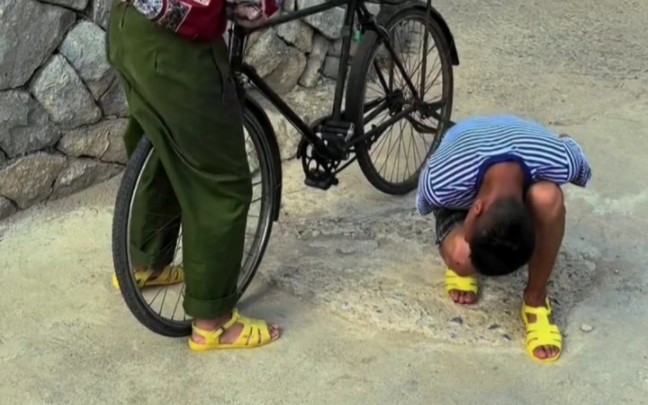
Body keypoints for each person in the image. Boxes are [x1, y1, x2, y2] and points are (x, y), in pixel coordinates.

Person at [106, 0, 281, 351]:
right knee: (222, 182)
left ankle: (146, 261)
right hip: (178, 48)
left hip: (129, 27)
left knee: (160, 143)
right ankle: (214, 323)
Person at [416, 115, 592, 364]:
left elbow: (577, 156)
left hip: (521, 149)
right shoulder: (441, 180)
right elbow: (425, 203)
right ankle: (467, 259)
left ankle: (536, 298)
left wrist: (561, 143)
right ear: (474, 209)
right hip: (463, 156)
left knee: (548, 197)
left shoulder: (561, 161)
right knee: (461, 258)